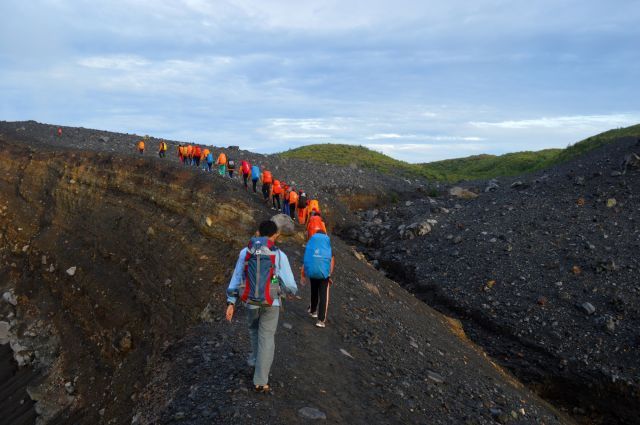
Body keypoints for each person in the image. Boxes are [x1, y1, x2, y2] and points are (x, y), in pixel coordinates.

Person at [225, 220, 298, 392]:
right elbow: (290, 285)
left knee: (254, 331)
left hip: (250, 300)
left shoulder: (246, 251)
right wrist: (285, 291)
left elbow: (236, 277)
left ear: (258, 233)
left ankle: (255, 361)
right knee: (267, 338)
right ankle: (260, 380)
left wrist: (231, 302)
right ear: (275, 235)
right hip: (271, 301)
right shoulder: (279, 255)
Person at [301, 230, 335, 328]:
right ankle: (320, 320)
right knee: (324, 295)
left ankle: (313, 311)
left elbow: (306, 261)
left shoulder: (311, 246)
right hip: (324, 274)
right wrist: (329, 275)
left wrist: (303, 275)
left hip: (312, 272)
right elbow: (331, 262)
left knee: (314, 291)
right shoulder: (328, 248)